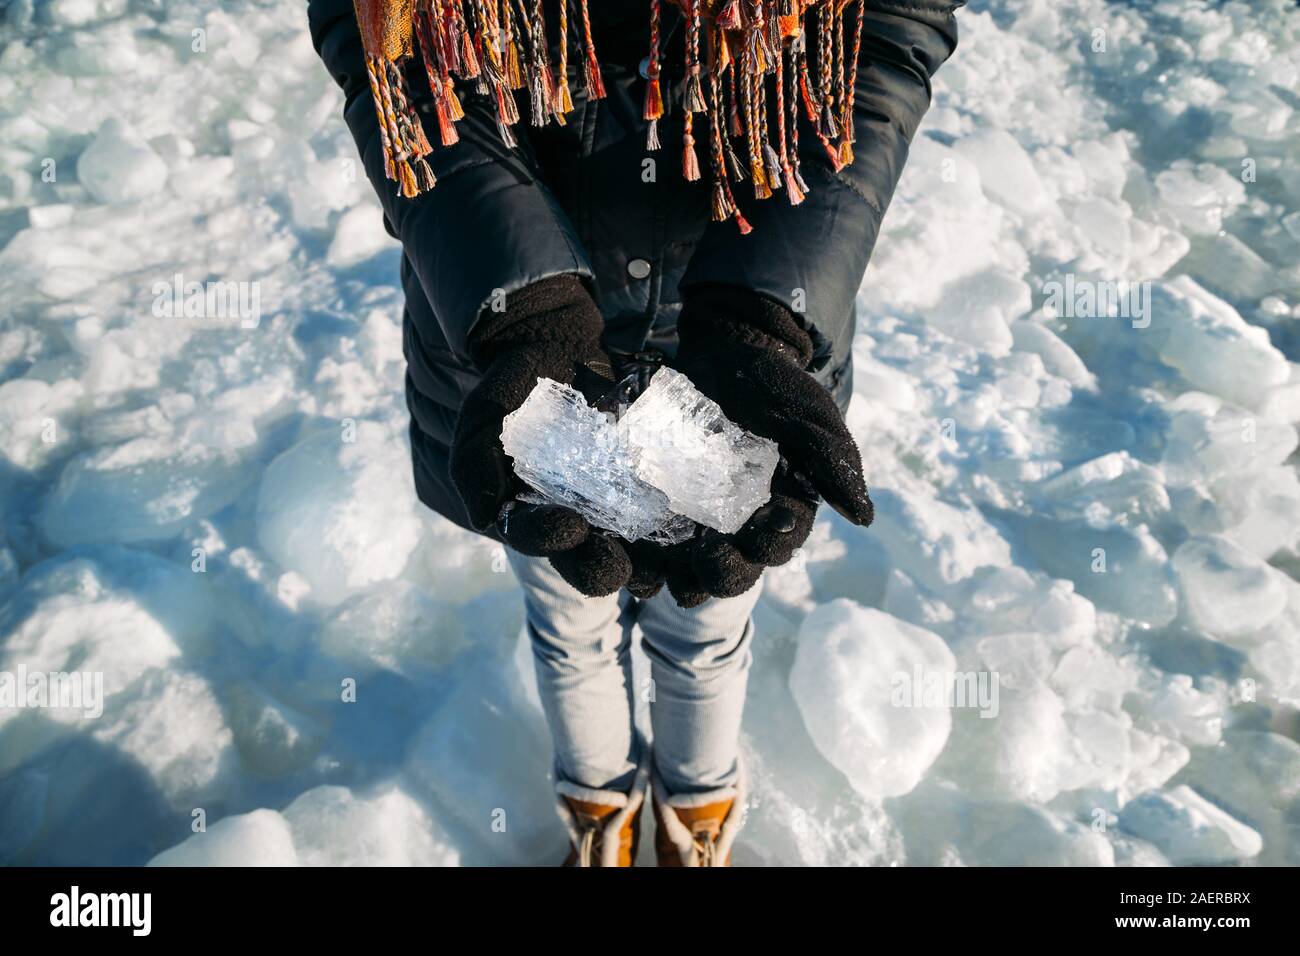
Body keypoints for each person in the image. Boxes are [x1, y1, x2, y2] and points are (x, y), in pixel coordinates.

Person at [308, 0, 961, 866]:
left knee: (699, 620)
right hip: (518, 353)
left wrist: (768, 312)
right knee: (579, 613)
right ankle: (602, 819)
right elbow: (385, 45)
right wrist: (521, 301)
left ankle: (691, 819)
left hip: (735, 338)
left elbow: (886, 36)